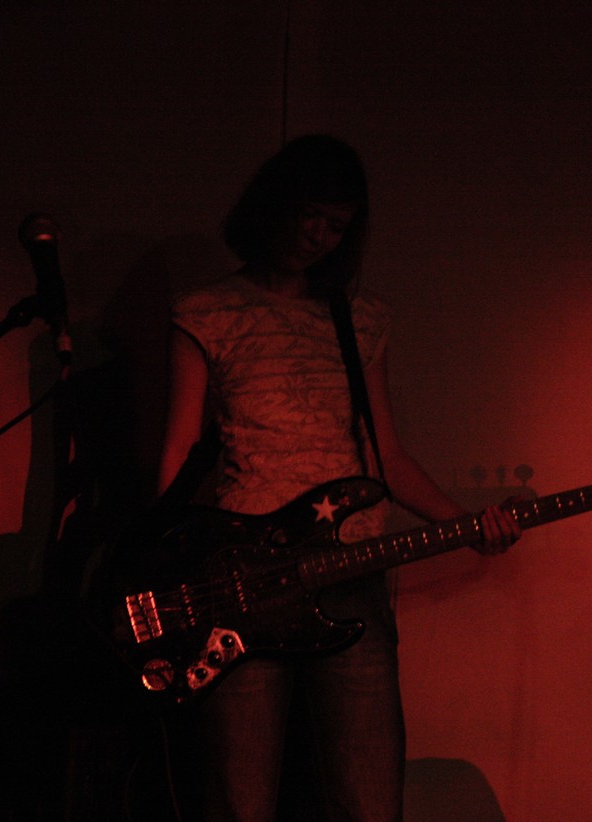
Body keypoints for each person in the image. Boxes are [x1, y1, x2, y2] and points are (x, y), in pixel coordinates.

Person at [157, 133, 521, 821]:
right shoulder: (206, 312)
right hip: (244, 578)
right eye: (310, 215)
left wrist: (468, 525)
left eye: (337, 226)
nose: (318, 237)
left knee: (369, 800)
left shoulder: (360, 319)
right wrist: (173, 566)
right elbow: (177, 453)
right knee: (240, 800)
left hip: (350, 572)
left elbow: (386, 458)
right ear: (275, 204)